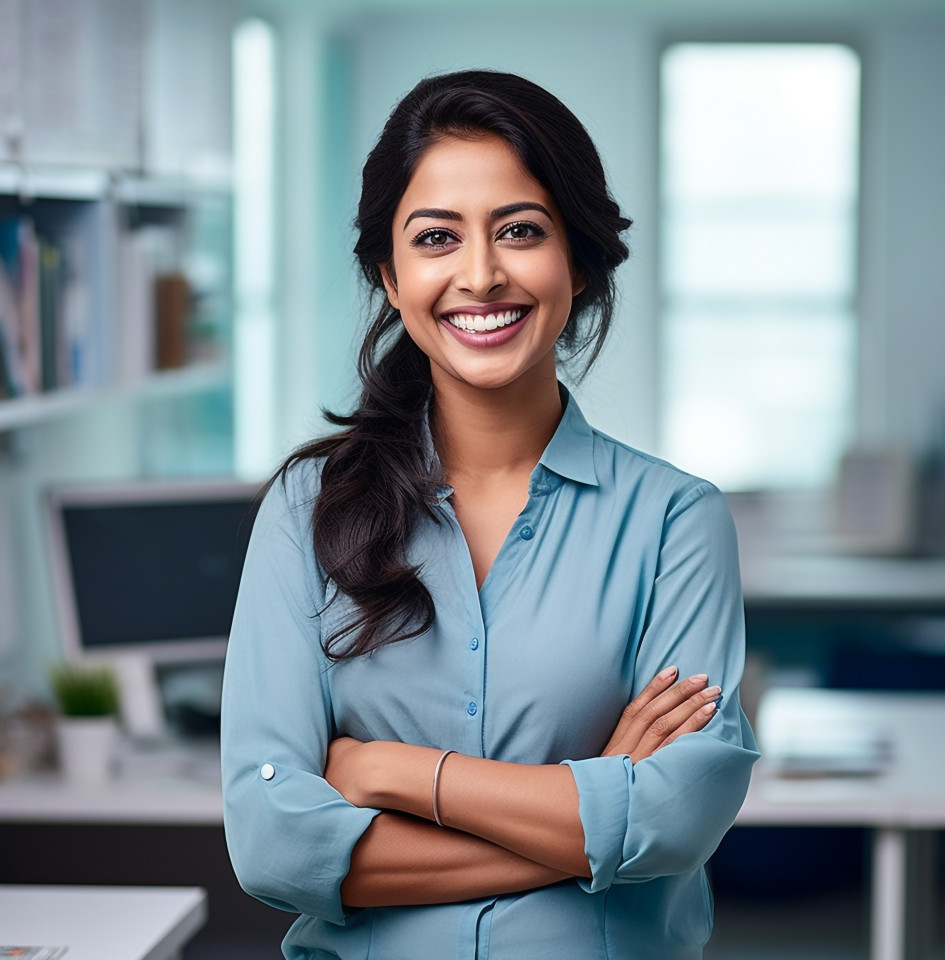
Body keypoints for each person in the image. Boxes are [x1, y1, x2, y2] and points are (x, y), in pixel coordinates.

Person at [221, 69, 759, 960]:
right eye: (437, 238)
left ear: (576, 261)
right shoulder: (306, 512)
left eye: (519, 231)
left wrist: (389, 772)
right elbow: (272, 843)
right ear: (390, 277)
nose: (481, 274)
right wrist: (589, 809)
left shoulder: (675, 521)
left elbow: (676, 818)